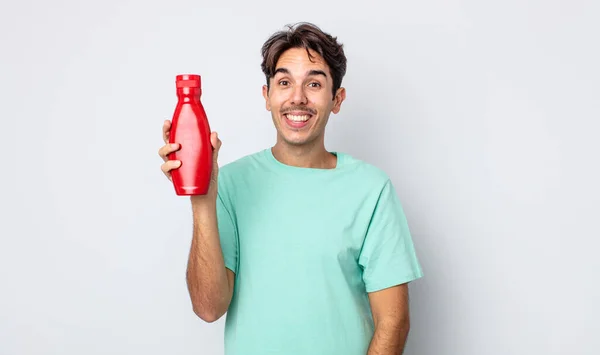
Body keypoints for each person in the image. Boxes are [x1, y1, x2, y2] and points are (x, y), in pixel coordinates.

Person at [158, 22, 423, 355]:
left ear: (336, 99)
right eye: (284, 82)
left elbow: (393, 322)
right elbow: (209, 308)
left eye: (314, 83)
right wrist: (201, 198)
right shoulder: (229, 183)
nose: (297, 98)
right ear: (267, 96)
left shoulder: (372, 190)